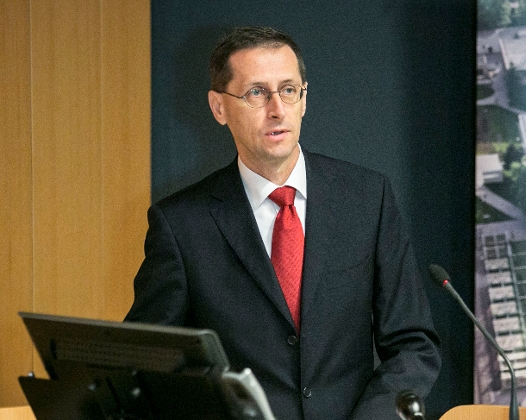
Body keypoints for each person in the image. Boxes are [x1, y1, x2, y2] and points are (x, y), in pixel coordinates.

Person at [125, 26, 441, 420]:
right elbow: (148, 363)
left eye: (288, 90)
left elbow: (413, 344)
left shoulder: (367, 198)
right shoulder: (181, 224)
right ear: (219, 107)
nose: (277, 109)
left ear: (304, 99)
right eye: (256, 93)